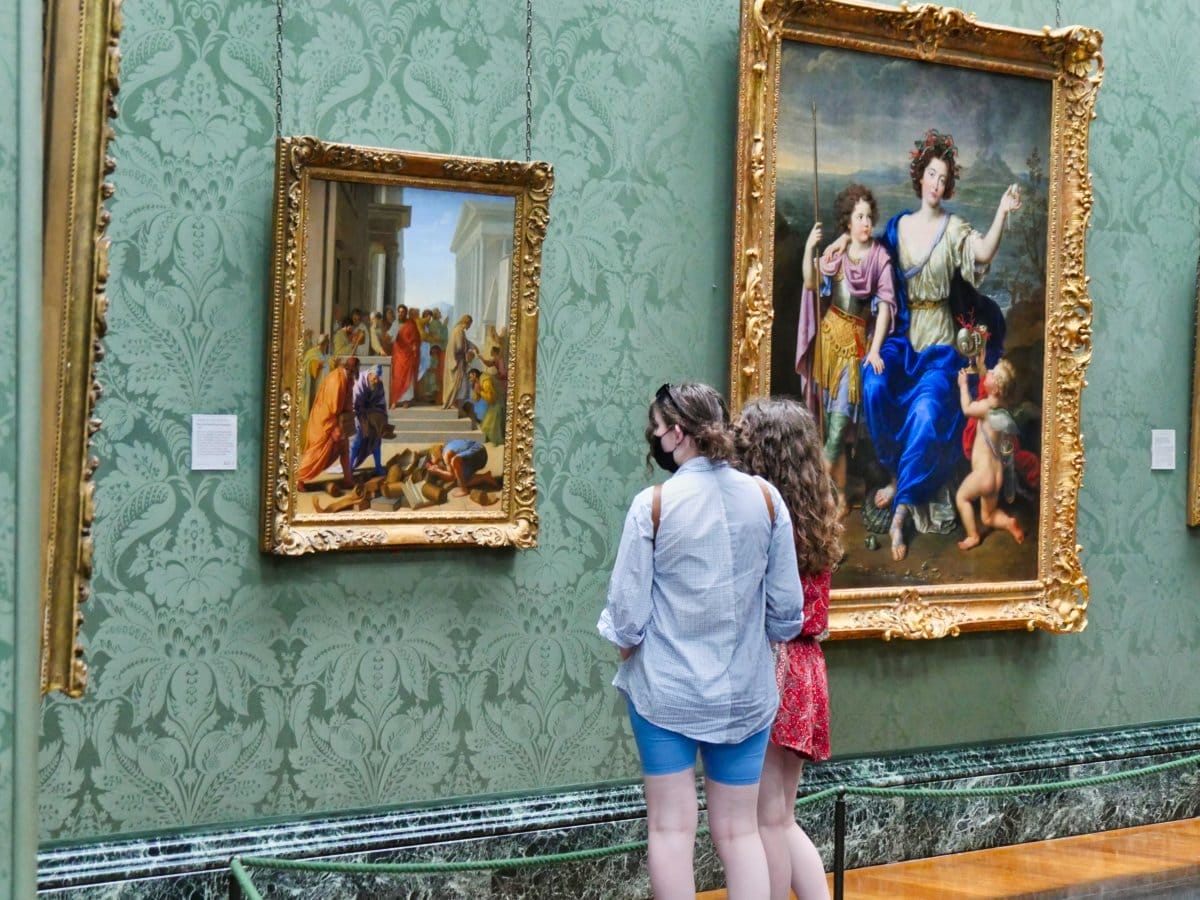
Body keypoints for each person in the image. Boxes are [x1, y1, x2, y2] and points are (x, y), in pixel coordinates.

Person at [598, 382, 806, 900]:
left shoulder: (653, 505)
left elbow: (626, 620)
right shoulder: (767, 498)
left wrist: (629, 649)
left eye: (656, 428)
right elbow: (787, 614)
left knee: (672, 830)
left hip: (666, 693)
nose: (654, 437)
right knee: (740, 833)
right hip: (747, 694)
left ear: (676, 433)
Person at [860, 129, 1022, 560]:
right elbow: (874, 276)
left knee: (928, 413)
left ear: (948, 186)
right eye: (931, 174)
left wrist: (1002, 211)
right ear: (920, 176)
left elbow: (982, 253)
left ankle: (900, 510)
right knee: (873, 385)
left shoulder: (953, 230)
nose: (936, 183)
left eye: (943, 178)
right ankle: (898, 474)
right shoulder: (898, 228)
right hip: (902, 341)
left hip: (939, 350)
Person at [734, 397, 843, 900]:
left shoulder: (767, 519)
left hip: (776, 664)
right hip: (805, 665)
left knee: (766, 819)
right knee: (780, 816)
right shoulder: (813, 512)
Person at [795, 184, 896, 517]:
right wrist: (810, 247)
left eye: (868, 216)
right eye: (859, 217)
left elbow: (885, 307)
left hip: (854, 348)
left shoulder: (880, 258)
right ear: (848, 221)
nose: (866, 223)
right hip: (828, 343)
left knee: (839, 427)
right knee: (827, 423)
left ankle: (811, 490)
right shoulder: (837, 253)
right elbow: (811, 283)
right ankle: (839, 496)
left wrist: (875, 350)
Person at [955, 355, 1024, 550]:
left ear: (995, 389)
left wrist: (963, 386)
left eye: (992, 373)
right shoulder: (1003, 407)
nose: (989, 373)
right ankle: (1009, 522)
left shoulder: (986, 408)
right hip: (996, 475)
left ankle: (973, 536)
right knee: (988, 516)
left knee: (961, 498)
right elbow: (989, 387)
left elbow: (967, 409)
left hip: (983, 475)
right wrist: (982, 367)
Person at [296, 356, 358, 492]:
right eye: (353, 371)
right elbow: (332, 407)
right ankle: (299, 478)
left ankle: (347, 479)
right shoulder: (336, 379)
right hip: (324, 421)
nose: (354, 375)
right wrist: (335, 426)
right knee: (317, 452)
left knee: (344, 448)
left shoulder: (347, 378)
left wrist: (347, 416)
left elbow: (347, 401)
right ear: (349, 369)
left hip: (336, 420)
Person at [425, 438, 500, 497]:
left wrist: (438, 471)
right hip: (477, 455)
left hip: (479, 453)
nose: (432, 460)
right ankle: (485, 477)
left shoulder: (446, 455)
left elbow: (451, 476)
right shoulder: (446, 448)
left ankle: (464, 490)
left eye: (431, 457)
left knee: (455, 461)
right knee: (462, 481)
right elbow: (453, 476)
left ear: (434, 453)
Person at [350, 365, 388, 474]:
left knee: (376, 440)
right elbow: (355, 404)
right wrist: (364, 418)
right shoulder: (359, 382)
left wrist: (380, 420)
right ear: (370, 374)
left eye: (378, 378)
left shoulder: (378, 384)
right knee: (357, 441)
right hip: (359, 415)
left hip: (373, 416)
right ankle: (349, 468)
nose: (376, 381)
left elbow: (381, 402)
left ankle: (378, 467)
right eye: (374, 378)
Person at [442, 314, 479, 410]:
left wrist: (474, 346)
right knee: (457, 383)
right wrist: (467, 352)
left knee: (460, 383)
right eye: (470, 324)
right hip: (456, 361)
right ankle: (452, 402)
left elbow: (465, 342)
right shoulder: (458, 331)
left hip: (458, 360)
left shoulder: (459, 330)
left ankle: (454, 403)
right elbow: (459, 347)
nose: (469, 326)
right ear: (467, 322)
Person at [389, 304, 420, 408]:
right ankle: (395, 400)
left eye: (402, 312)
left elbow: (416, 338)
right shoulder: (395, 324)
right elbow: (390, 337)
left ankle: (406, 400)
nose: (401, 314)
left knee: (407, 378)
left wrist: (414, 347)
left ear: (406, 313)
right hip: (398, 355)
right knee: (397, 377)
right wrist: (388, 337)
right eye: (399, 312)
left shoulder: (411, 324)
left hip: (408, 355)